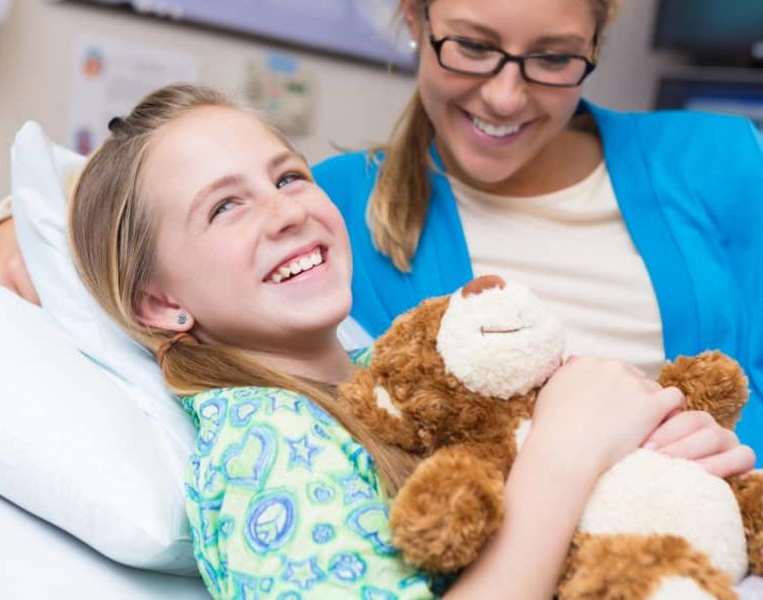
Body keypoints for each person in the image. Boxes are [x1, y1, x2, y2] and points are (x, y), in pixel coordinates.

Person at [63, 84, 740, 599]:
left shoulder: (396, 379)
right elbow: (554, 463)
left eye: (288, 176)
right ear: (162, 302)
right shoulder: (268, 445)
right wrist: (568, 450)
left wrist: (661, 451)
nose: (286, 211)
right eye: (224, 207)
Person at [311, 0, 763, 466]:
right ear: (414, 19)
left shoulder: (724, 161)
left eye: (552, 58)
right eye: (470, 45)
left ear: (596, 44)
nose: (505, 98)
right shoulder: (329, 210)